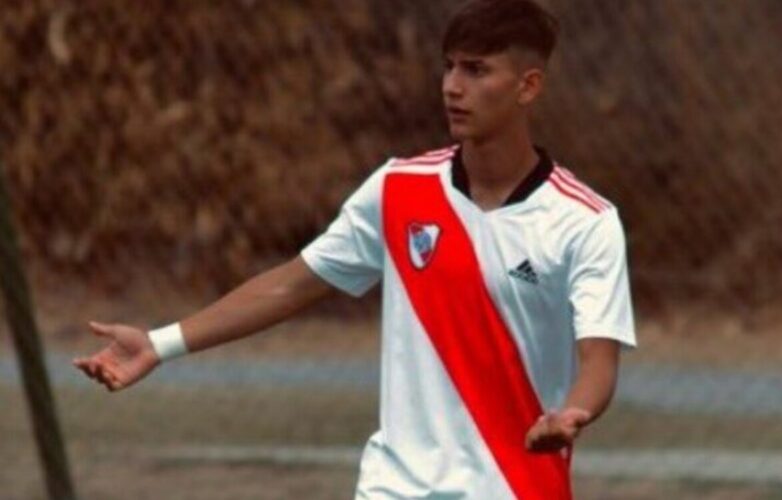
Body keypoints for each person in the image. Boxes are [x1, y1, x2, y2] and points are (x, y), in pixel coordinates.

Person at [74, 0, 636, 498]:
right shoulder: (399, 188)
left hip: (517, 487)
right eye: (448, 66)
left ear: (528, 86)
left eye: (476, 69)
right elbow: (292, 283)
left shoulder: (584, 221)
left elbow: (598, 362)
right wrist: (159, 343)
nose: (452, 86)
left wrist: (572, 413)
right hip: (393, 485)